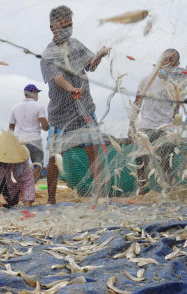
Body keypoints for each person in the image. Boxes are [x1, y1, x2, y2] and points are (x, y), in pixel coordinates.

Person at [40, 5, 110, 204]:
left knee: (93, 150)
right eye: (63, 26)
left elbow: (91, 66)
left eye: (70, 25)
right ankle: (51, 200)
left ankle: (99, 197)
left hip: (84, 108)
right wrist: (71, 88)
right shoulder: (48, 53)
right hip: (60, 113)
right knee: (54, 156)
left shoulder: (77, 44)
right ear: (53, 27)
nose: (67, 29)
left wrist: (100, 55)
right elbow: (58, 78)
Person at [130, 49, 187, 195]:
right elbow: (137, 103)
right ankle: (142, 192)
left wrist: (180, 118)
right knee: (141, 162)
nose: (167, 63)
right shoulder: (146, 79)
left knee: (166, 163)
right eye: (164, 59)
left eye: (171, 60)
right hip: (146, 126)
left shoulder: (178, 82)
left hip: (166, 128)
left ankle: (168, 193)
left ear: (177, 64)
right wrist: (131, 125)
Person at [9, 84, 49, 180]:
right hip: (35, 141)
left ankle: (21, 189)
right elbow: (45, 125)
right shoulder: (39, 106)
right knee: (38, 166)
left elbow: (11, 127)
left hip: (20, 142)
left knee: (20, 168)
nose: (37, 95)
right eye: (37, 93)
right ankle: (31, 187)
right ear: (33, 93)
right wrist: (44, 127)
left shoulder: (15, 107)